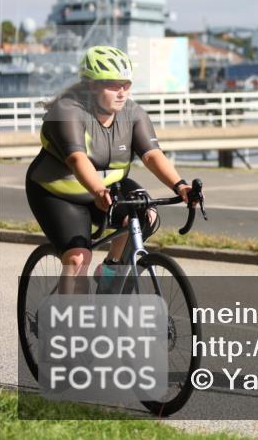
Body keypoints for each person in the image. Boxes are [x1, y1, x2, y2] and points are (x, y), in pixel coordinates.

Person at [25, 46, 196, 291]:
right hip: (57, 193)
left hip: (105, 188)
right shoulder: (66, 112)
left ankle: (111, 270)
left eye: (126, 84)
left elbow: (152, 155)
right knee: (77, 259)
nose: (122, 92)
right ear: (91, 85)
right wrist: (97, 191)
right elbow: (77, 160)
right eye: (113, 85)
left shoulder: (133, 113)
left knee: (146, 214)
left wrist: (180, 186)